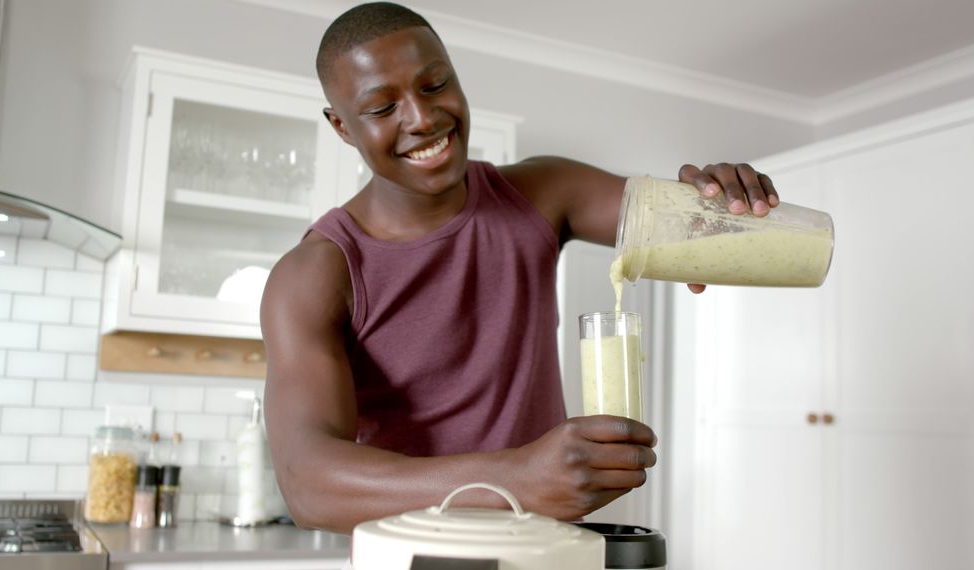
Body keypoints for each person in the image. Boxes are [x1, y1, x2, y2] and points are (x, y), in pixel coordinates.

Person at [261, 2, 780, 535]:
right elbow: (309, 483)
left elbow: (707, 235)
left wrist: (723, 203)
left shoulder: (542, 191)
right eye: (381, 108)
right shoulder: (314, 274)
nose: (422, 118)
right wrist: (512, 479)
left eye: (436, 84)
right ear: (342, 126)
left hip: (547, 553)